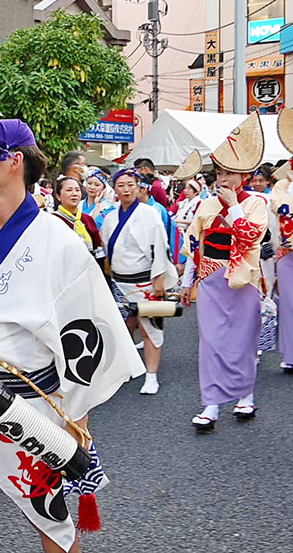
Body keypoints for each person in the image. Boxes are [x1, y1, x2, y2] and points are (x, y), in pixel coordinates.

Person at [0, 119, 144, 553]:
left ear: (13, 161)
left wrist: (77, 415)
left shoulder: (58, 240)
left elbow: (85, 333)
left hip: (30, 408)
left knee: (52, 525)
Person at [180, 113, 268, 430]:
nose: (223, 178)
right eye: (219, 172)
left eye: (229, 172)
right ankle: (212, 404)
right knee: (212, 341)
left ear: (242, 175)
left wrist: (232, 206)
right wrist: (187, 283)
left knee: (242, 340)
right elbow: (195, 243)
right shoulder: (205, 205)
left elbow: (249, 237)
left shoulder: (256, 203)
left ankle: (245, 396)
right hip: (209, 278)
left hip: (243, 280)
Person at [100, 169, 177, 396]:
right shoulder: (111, 216)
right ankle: (126, 370)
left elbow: (160, 247)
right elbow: (105, 247)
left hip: (145, 280)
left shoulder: (149, 214)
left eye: (130, 184)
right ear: (115, 189)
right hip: (119, 281)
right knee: (122, 328)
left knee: (150, 329)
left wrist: (159, 278)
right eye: (121, 185)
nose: (126, 189)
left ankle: (151, 376)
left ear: (138, 187)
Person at [53, 176, 105, 270]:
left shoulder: (87, 219)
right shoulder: (53, 220)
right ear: (58, 196)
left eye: (77, 190)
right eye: (69, 190)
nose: (74, 194)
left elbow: (97, 246)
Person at [271, 159, 293, 373]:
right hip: (287, 251)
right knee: (288, 304)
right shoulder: (281, 186)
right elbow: (278, 208)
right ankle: (291, 355)